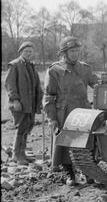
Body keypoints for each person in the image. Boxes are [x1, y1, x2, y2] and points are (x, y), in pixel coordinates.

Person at [43, 36, 98, 185]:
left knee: (87, 143)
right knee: (65, 144)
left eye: (76, 51)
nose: (75, 54)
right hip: (64, 112)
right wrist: (52, 118)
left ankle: (88, 172)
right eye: (71, 51)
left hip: (84, 111)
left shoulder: (85, 68)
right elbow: (49, 96)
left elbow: (97, 84)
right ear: (64, 53)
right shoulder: (55, 70)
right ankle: (70, 174)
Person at [5, 41, 44, 165]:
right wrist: (15, 100)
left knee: (28, 126)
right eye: (26, 51)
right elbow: (9, 84)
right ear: (21, 52)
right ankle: (17, 155)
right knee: (21, 127)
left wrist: (39, 102)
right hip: (20, 104)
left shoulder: (31, 66)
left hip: (30, 104)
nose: (28, 53)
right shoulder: (15, 65)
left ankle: (22, 153)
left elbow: (37, 86)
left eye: (30, 51)